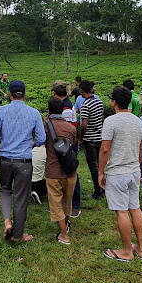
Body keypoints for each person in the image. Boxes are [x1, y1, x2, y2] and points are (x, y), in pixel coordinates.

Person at [0, 80, 45, 241]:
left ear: (9, 94)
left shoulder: (1, 111)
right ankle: (18, 235)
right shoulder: (34, 113)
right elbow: (42, 138)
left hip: (5, 160)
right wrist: (31, 144)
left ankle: (7, 221)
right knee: (21, 196)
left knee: (5, 190)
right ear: (24, 94)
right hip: (24, 162)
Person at [98, 86, 142, 262]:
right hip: (133, 170)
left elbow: (105, 150)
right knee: (135, 208)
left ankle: (127, 251)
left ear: (114, 102)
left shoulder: (111, 121)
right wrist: (137, 166)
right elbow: (141, 148)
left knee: (122, 211)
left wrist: (100, 172)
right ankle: (140, 248)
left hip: (117, 172)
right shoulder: (138, 121)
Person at [44, 97, 78, 245]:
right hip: (70, 171)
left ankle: (64, 235)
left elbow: (39, 140)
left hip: (53, 171)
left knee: (56, 202)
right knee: (67, 201)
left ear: (49, 110)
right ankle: (66, 222)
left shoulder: (46, 126)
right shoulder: (71, 128)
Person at [52, 80, 81, 217]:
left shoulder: (66, 108)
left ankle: (75, 205)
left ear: (54, 93)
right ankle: (64, 205)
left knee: (71, 173)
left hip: (67, 146)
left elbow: (67, 131)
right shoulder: (66, 105)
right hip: (64, 145)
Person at [78, 80, 105, 199]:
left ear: (81, 91)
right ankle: (104, 187)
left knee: (93, 166)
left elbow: (83, 125)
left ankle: (98, 191)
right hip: (100, 137)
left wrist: (81, 138)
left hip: (90, 139)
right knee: (101, 165)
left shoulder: (85, 105)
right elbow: (102, 119)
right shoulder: (99, 102)